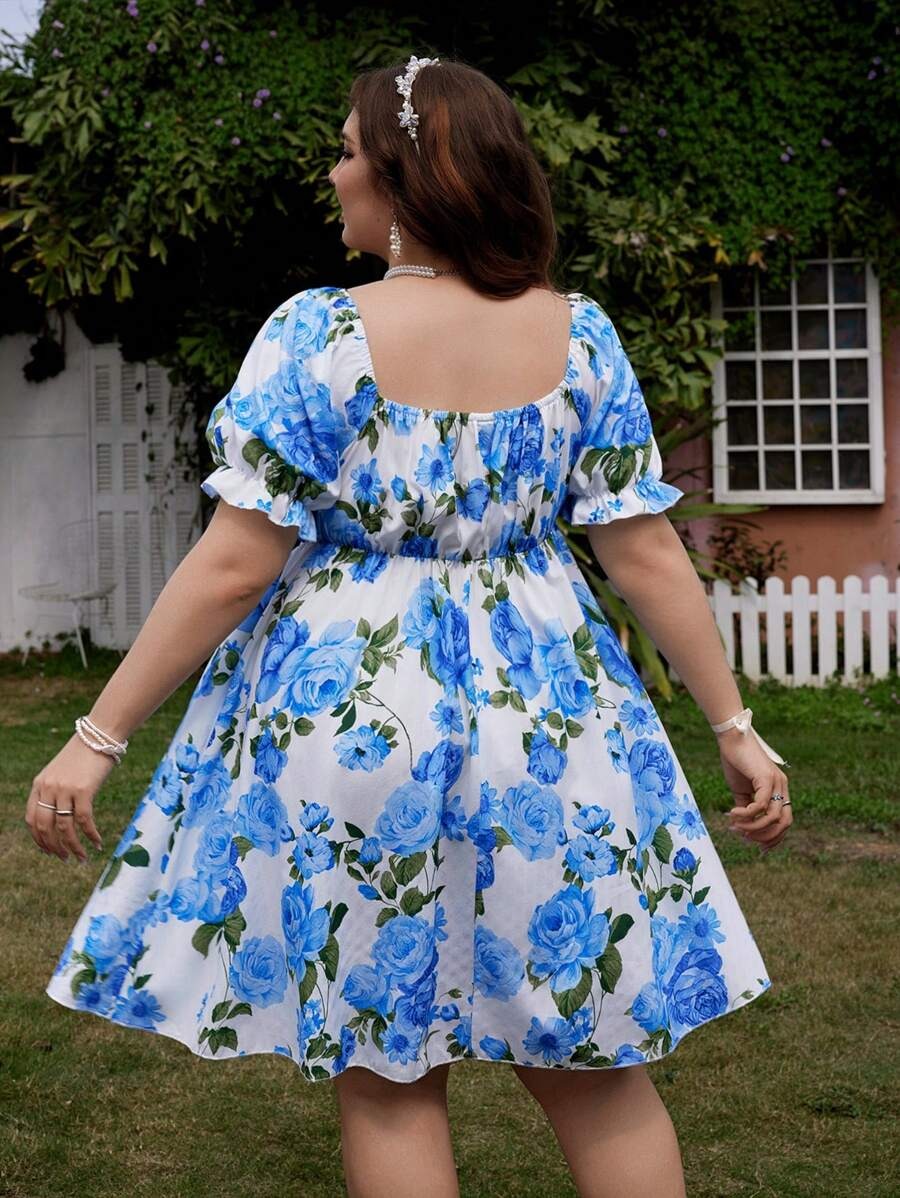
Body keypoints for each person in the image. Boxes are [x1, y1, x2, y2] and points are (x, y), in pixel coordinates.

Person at [28, 54, 792, 1198]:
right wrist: (732, 724)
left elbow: (235, 564)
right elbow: (642, 553)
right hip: (549, 728)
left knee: (389, 1077)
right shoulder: (581, 336)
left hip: (354, 724)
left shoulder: (317, 335)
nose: (335, 176)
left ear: (402, 176)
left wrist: (97, 737)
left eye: (347, 153)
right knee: (597, 1071)